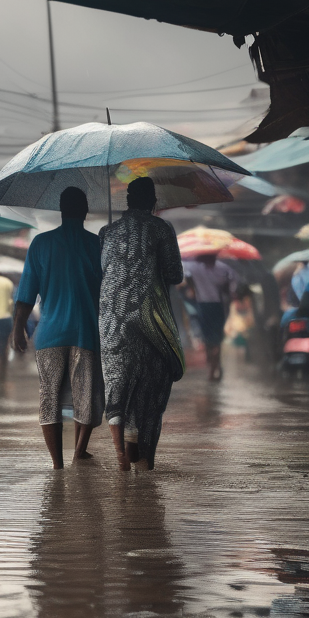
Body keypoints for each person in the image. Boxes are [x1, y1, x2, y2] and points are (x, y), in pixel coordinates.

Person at [12, 187, 103, 469]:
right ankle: (78, 453)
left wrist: (17, 328)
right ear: (85, 211)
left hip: (49, 333)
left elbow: (26, 293)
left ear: (61, 211)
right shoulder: (98, 244)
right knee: (86, 396)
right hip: (87, 332)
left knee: (49, 397)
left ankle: (57, 465)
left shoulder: (41, 243)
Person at [100, 176, 184, 472]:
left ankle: (121, 457)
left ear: (127, 201)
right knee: (152, 392)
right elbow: (174, 274)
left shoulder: (106, 231)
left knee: (117, 386)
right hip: (151, 319)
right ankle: (146, 464)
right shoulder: (161, 228)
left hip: (112, 321)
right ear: (153, 202)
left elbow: (103, 271)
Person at [183, 252, 238, 380]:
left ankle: (213, 367)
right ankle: (217, 364)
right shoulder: (222, 267)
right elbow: (233, 282)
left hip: (203, 305)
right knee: (217, 337)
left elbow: (186, 275)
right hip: (219, 305)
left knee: (207, 336)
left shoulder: (194, 267)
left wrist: (192, 287)